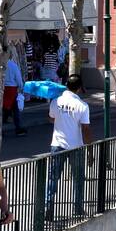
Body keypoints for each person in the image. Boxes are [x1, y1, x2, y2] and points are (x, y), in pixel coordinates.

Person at [45, 74, 92, 221]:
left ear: (66, 85)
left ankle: (48, 207)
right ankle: (77, 209)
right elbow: (85, 129)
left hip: (57, 144)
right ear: (79, 88)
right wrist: (90, 150)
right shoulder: (82, 106)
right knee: (78, 179)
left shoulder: (55, 101)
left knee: (53, 178)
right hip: (75, 146)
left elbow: (51, 118)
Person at [3, 47, 26, 136]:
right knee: (15, 110)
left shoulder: (0, 65)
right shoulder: (13, 65)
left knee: (2, 109)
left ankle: (0, 129)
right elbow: (18, 78)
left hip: (2, 88)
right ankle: (18, 128)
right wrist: (21, 87)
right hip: (12, 89)